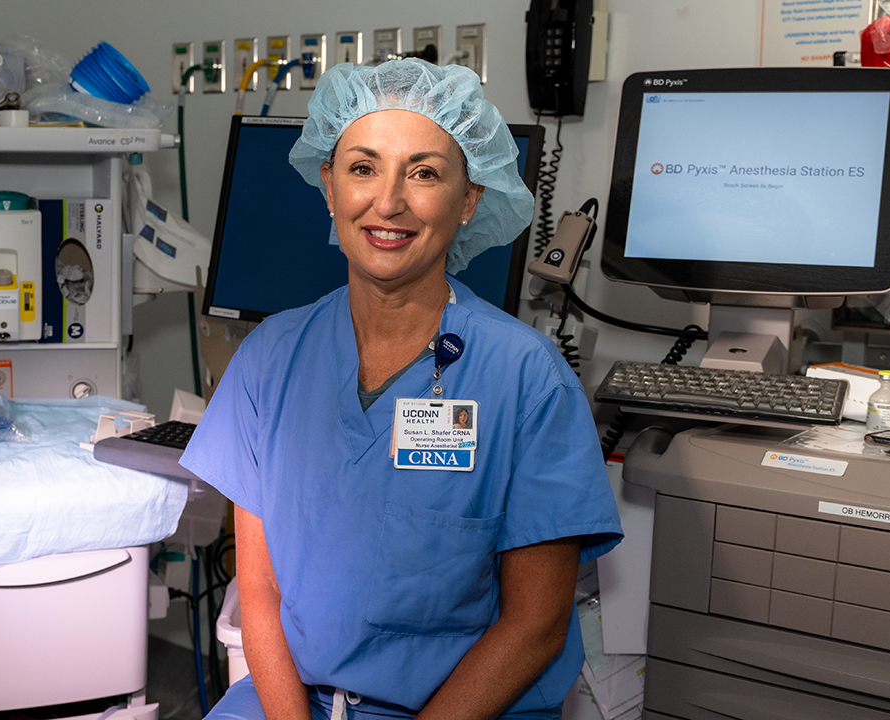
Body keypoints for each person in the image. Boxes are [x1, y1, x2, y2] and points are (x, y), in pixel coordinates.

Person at [181, 59, 621, 720]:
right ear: (329, 186)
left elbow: (535, 627)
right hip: (290, 704)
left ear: (469, 199)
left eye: (423, 173)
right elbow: (261, 588)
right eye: (362, 168)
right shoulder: (270, 359)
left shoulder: (526, 379)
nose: (387, 202)